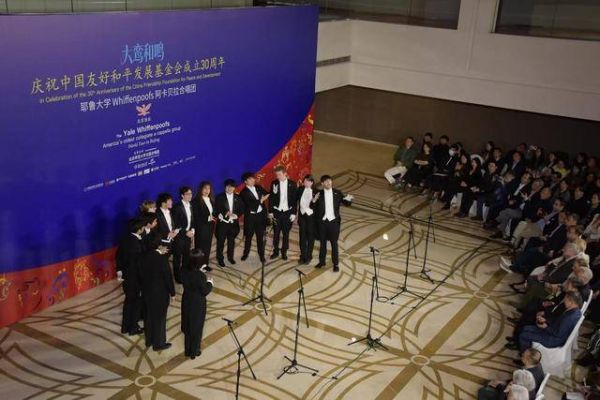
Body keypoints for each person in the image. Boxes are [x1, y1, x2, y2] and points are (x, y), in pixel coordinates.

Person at [141, 234, 176, 351]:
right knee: (160, 318)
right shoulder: (162, 259)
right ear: (159, 245)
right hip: (160, 293)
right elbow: (168, 278)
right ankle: (159, 343)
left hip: (146, 292)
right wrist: (172, 293)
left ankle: (149, 340)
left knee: (148, 316)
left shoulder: (143, 257)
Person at [518, 290, 583, 352]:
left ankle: (527, 356)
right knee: (525, 328)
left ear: (571, 302)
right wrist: (546, 320)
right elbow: (558, 321)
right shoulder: (575, 311)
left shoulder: (570, 317)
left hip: (553, 339)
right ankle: (529, 350)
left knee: (524, 335)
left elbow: (558, 334)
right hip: (553, 331)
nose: (564, 301)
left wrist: (545, 327)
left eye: (565, 299)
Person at [313, 175, 353, 272]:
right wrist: (314, 201)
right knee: (322, 243)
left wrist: (349, 199)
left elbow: (346, 203)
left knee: (334, 243)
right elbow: (313, 207)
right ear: (322, 183)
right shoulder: (319, 194)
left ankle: (336, 264)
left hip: (333, 222)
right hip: (322, 222)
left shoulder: (337, 193)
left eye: (330, 181)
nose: (329, 183)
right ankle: (322, 262)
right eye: (326, 182)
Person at [181, 249, 213, 359]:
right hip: (197, 304)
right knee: (197, 328)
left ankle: (187, 350)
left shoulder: (184, 270)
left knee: (188, 327)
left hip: (187, 300)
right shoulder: (200, 276)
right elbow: (205, 291)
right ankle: (194, 352)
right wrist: (210, 283)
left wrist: (199, 271)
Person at [117, 218, 145, 335]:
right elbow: (139, 263)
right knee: (134, 303)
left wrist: (120, 271)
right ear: (139, 229)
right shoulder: (136, 244)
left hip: (127, 276)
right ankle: (133, 327)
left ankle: (125, 327)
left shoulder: (125, 239)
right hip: (135, 278)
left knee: (128, 302)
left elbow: (119, 256)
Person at [268, 165, 298, 260]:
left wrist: (294, 213)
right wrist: (271, 211)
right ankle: (275, 251)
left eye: (279, 175)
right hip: (277, 212)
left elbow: (295, 200)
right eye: (277, 175)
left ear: (285, 174)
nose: (278, 177)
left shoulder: (293, 184)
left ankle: (284, 251)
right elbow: (271, 198)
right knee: (276, 233)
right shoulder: (274, 183)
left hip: (287, 212)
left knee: (286, 234)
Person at [240, 172, 270, 263]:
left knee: (260, 237)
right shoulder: (243, 192)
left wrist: (265, 197)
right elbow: (250, 205)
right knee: (248, 237)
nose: (253, 180)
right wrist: (261, 200)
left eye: (253, 178)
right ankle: (246, 254)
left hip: (260, 216)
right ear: (245, 181)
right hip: (250, 217)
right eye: (250, 179)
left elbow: (267, 193)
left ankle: (261, 255)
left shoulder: (258, 187)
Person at [215, 179, 244, 268]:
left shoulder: (238, 197)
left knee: (231, 241)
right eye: (228, 186)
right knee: (220, 242)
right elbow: (216, 209)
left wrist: (236, 215)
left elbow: (241, 209)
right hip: (223, 224)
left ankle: (230, 257)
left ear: (234, 188)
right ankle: (220, 258)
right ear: (225, 187)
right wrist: (223, 213)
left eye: (232, 187)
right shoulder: (219, 197)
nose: (230, 188)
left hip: (233, 224)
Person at [172, 186, 195, 284]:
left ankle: (184, 272)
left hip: (188, 235)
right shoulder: (177, 207)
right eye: (188, 194)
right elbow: (175, 225)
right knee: (177, 257)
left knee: (186, 255)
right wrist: (185, 232)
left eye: (191, 193)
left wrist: (192, 230)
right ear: (182, 195)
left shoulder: (191, 205)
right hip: (179, 237)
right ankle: (177, 276)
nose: (190, 196)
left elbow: (192, 220)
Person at [192, 181, 216, 267]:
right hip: (201, 228)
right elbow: (196, 216)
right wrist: (209, 218)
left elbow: (214, 212)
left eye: (209, 188)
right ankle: (198, 266)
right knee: (200, 247)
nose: (207, 190)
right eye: (205, 188)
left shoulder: (211, 199)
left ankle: (205, 264)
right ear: (200, 189)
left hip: (210, 227)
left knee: (207, 246)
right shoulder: (196, 201)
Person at [298, 175, 317, 265]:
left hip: (311, 217)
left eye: (307, 181)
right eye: (304, 181)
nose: (305, 183)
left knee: (310, 237)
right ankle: (302, 256)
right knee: (302, 237)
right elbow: (295, 199)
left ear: (312, 182)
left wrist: (314, 201)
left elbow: (316, 207)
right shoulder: (300, 189)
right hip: (302, 215)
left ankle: (309, 256)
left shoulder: (316, 192)